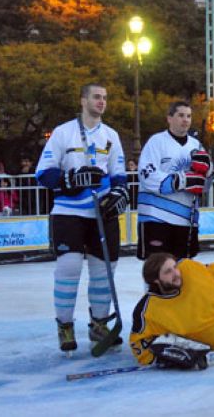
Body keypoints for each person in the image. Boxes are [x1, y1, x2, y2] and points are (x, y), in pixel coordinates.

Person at [35, 83, 129, 355]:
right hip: (69, 212)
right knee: (70, 267)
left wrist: (120, 193)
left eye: (105, 98)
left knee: (104, 271)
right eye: (97, 97)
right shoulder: (63, 133)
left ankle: (99, 324)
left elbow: (119, 174)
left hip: (102, 212)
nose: (102, 102)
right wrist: (70, 180)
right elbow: (43, 174)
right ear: (83, 100)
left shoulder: (110, 135)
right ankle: (64, 325)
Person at [136, 100, 210, 261]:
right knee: (157, 269)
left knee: (183, 271)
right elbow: (146, 174)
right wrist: (179, 181)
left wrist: (207, 169)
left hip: (186, 220)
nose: (185, 120)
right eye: (181, 115)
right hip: (156, 217)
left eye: (189, 116)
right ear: (169, 118)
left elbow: (204, 181)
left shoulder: (196, 145)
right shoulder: (156, 142)